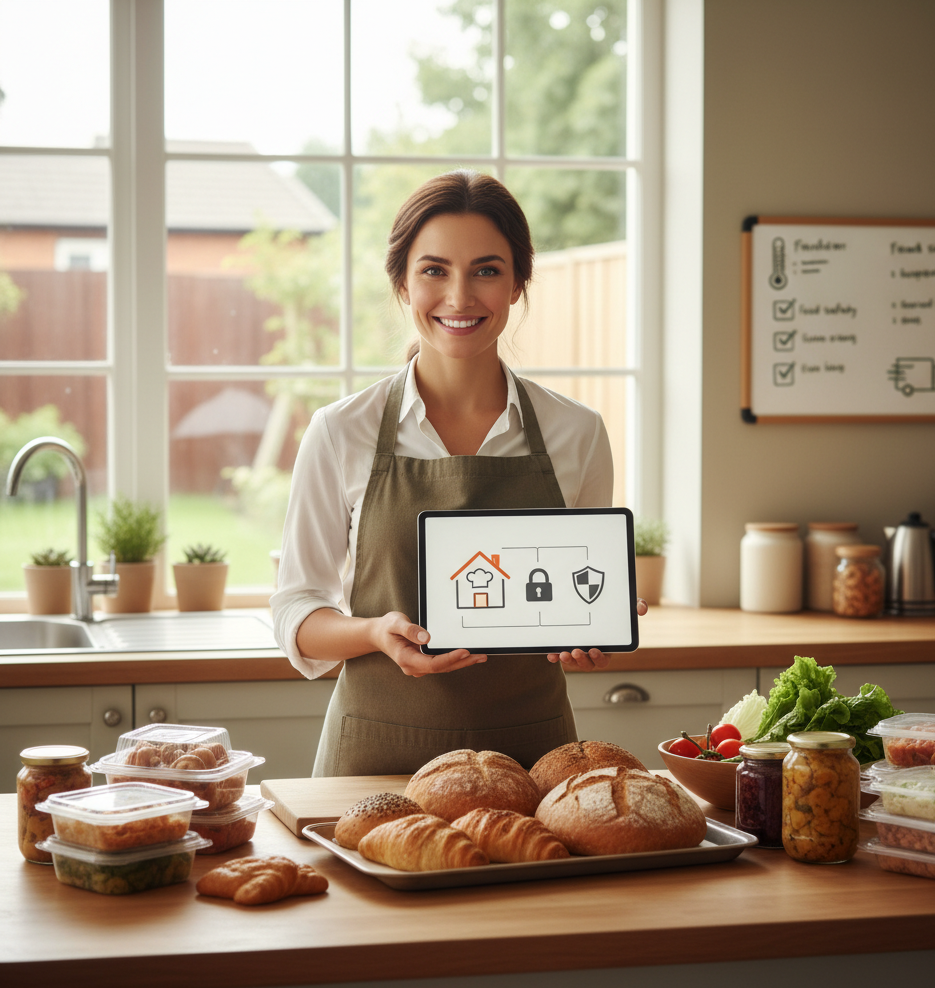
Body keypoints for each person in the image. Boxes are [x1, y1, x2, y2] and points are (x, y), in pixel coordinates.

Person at [271, 170, 647, 777]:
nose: (460, 297)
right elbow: (297, 611)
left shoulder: (577, 433)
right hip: (374, 761)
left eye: (487, 270)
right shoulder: (341, 431)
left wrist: (595, 620)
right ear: (402, 283)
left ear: (518, 284)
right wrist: (373, 633)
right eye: (434, 270)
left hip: (534, 762)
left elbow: (575, 590)